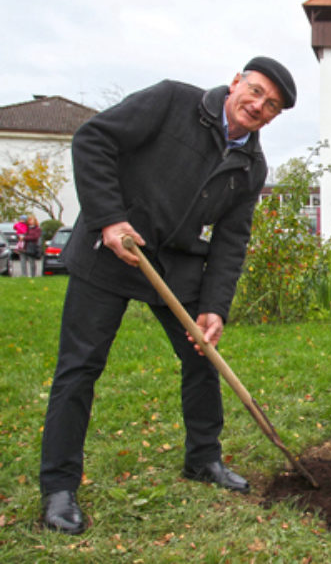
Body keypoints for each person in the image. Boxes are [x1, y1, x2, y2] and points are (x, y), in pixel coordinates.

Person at [39, 56, 297, 535]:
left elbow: (230, 241)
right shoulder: (173, 101)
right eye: (256, 91)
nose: (258, 106)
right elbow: (94, 139)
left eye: (272, 106)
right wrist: (109, 217)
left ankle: (204, 459)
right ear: (236, 81)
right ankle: (58, 487)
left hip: (175, 265)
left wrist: (215, 307)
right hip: (111, 248)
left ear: (275, 117)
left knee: (202, 357)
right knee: (80, 366)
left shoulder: (252, 166)